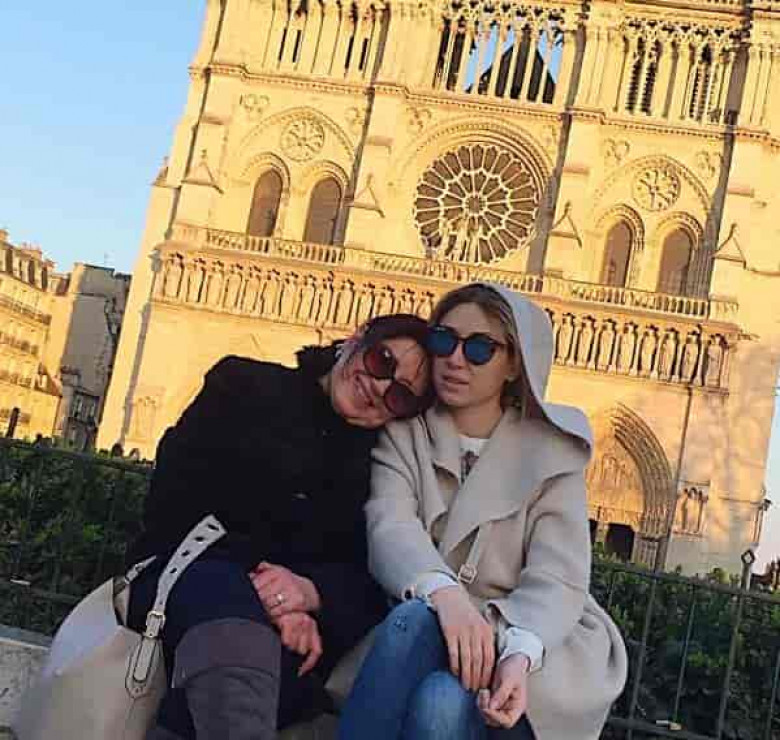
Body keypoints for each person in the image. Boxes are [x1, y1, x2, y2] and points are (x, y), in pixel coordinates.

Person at [339, 284, 628, 740]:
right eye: (443, 340)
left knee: (440, 696)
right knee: (419, 633)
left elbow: (557, 576)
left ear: (515, 363)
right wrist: (446, 595)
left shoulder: (555, 450)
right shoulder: (405, 433)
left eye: (479, 349)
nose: (456, 359)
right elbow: (390, 525)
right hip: (427, 623)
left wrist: (519, 651)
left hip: (526, 635)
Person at [126, 313, 434, 740]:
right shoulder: (241, 385)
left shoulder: (381, 467)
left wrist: (310, 593)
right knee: (243, 648)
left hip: (287, 631)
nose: (380, 388)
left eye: (400, 396)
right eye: (382, 361)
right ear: (356, 337)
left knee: (275, 678)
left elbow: (370, 577)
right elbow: (174, 505)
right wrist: (272, 597)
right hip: (182, 575)